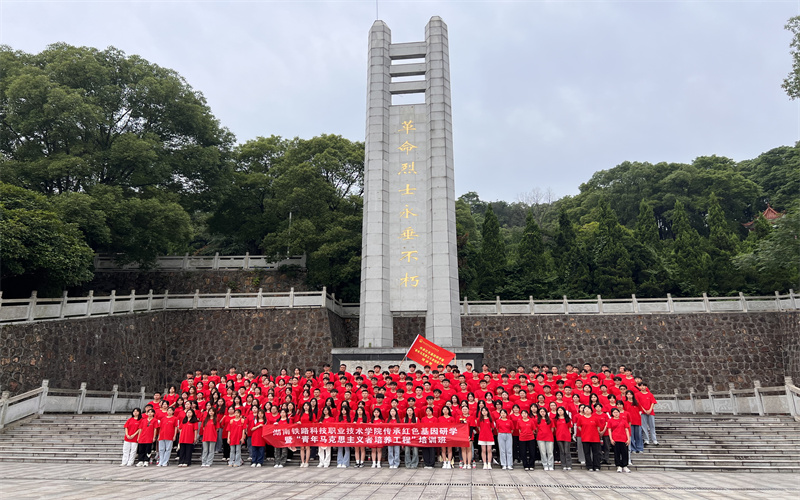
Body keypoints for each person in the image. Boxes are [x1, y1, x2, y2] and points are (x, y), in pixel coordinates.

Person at [577, 405, 601, 471]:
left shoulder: (595, 418)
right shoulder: (581, 418)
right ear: (583, 410)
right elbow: (579, 426)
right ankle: (589, 466)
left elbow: (598, 427)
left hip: (595, 438)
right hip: (585, 438)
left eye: (588, 409)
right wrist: (584, 431)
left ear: (591, 410)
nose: (587, 410)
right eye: (585, 409)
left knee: (596, 453)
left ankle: (596, 466)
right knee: (587, 452)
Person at [608, 407, 632, 473]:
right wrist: (611, 439)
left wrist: (628, 438)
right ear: (612, 413)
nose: (616, 414)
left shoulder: (623, 420)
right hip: (615, 438)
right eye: (614, 412)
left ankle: (625, 465)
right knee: (617, 453)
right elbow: (609, 430)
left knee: (625, 452)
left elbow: (626, 429)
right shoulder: (610, 420)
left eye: (617, 412)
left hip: (623, 439)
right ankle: (618, 466)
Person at [535, 407, 555, 471]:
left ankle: (550, 465)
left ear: (546, 412)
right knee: (543, 452)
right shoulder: (537, 420)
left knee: (550, 452)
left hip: (549, 437)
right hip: (540, 438)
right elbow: (536, 429)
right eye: (541, 412)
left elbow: (552, 429)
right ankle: (545, 464)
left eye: (544, 411)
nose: (542, 413)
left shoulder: (550, 420)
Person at [554, 406, 573, 471]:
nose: (560, 411)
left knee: (567, 451)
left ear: (564, 411)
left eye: (561, 410)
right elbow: (555, 428)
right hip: (559, 436)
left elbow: (570, 428)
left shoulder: (567, 419)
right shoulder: (556, 419)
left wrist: (570, 435)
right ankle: (563, 465)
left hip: (566, 436)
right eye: (558, 410)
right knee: (562, 451)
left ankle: (569, 465)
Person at [336, 403, 352, 468]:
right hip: (340, 434)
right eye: (342, 410)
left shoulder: (350, 417)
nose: (343, 411)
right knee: (340, 449)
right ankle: (339, 462)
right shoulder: (338, 417)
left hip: (347, 435)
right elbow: (336, 425)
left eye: (345, 410)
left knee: (347, 449)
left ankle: (345, 462)